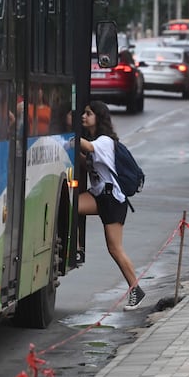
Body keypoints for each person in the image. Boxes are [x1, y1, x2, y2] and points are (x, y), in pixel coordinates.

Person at [77, 101, 145, 310]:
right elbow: (85, 159)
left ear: (99, 117)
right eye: (83, 113)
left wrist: (67, 132)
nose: (83, 117)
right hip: (98, 195)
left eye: (88, 114)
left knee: (115, 249)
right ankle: (76, 247)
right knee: (72, 206)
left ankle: (136, 289)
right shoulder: (95, 142)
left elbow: (87, 148)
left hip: (113, 200)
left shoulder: (104, 141)